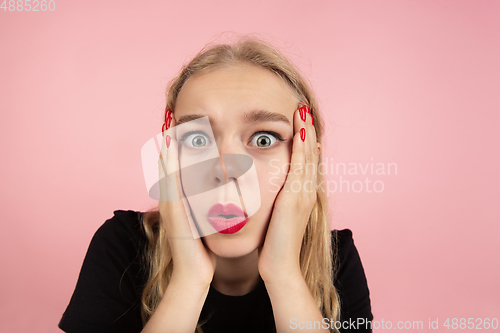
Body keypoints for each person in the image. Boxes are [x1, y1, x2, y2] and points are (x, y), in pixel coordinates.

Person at [58, 37, 373, 333]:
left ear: (306, 161)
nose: (224, 169)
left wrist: (284, 274)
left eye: (264, 138)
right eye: (196, 139)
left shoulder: (337, 260)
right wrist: (189, 280)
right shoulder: (122, 245)